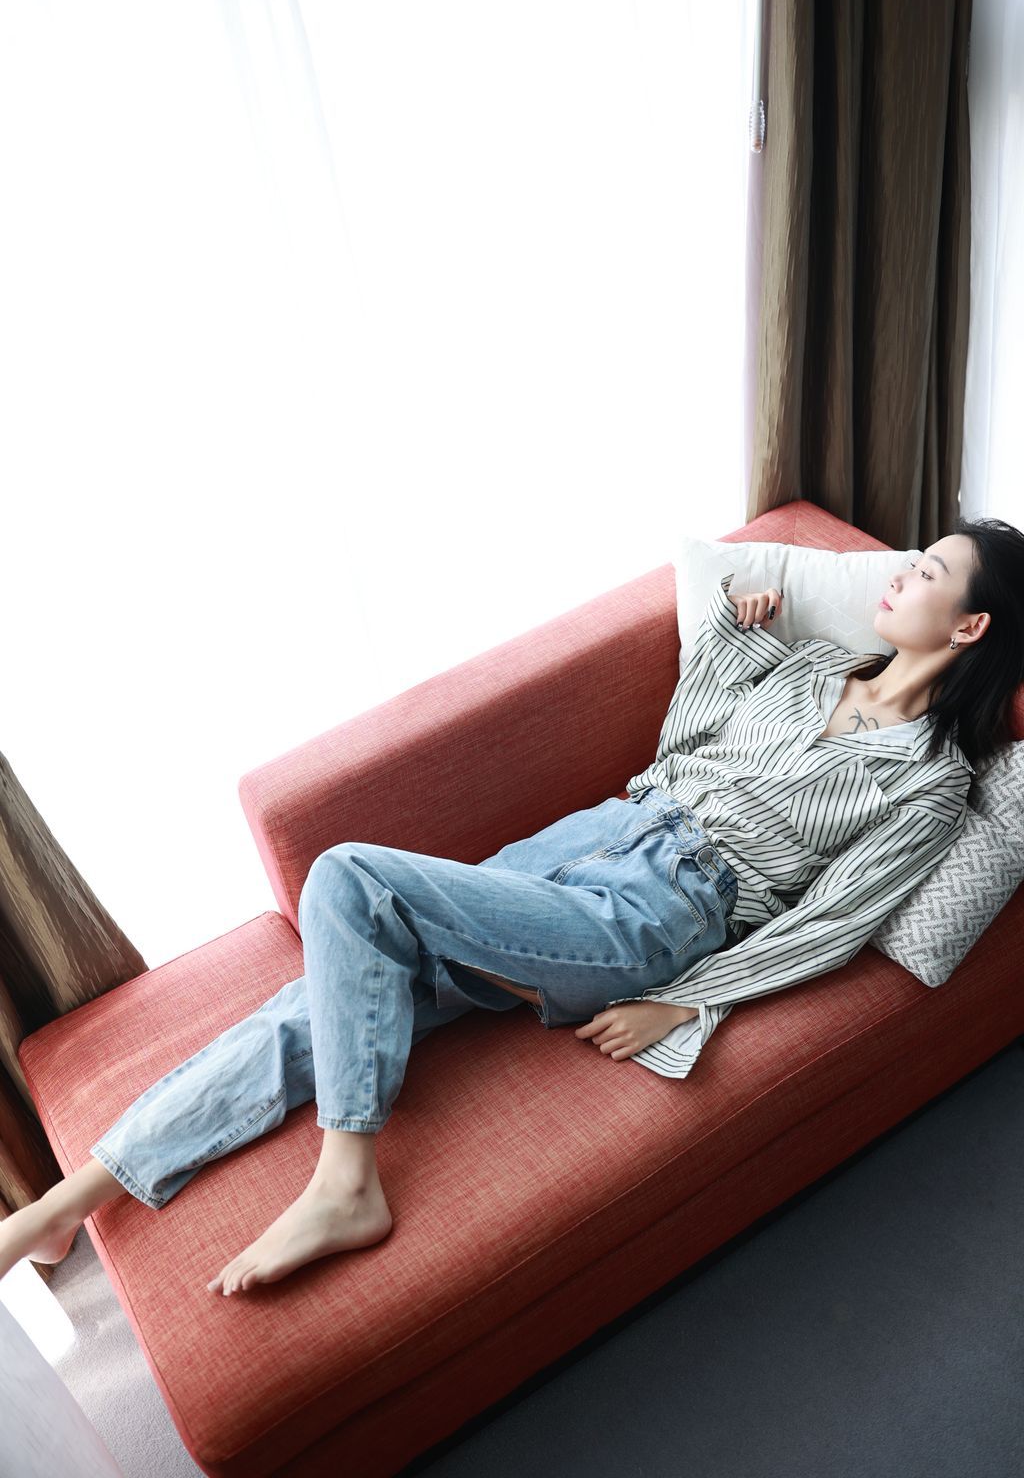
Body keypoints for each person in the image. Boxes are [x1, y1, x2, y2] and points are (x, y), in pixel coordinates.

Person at [3, 519, 1024, 1297]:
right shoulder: (805, 666)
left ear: (969, 625)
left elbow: (833, 924)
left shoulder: (929, 787)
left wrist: (692, 1000)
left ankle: (347, 1180)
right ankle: (64, 1206)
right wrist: (730, 637)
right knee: (310, 1005)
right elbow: (682, 741)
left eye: (928, 571)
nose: (899, 573)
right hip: (585, 839)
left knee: (349, 877)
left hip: (664, 908)